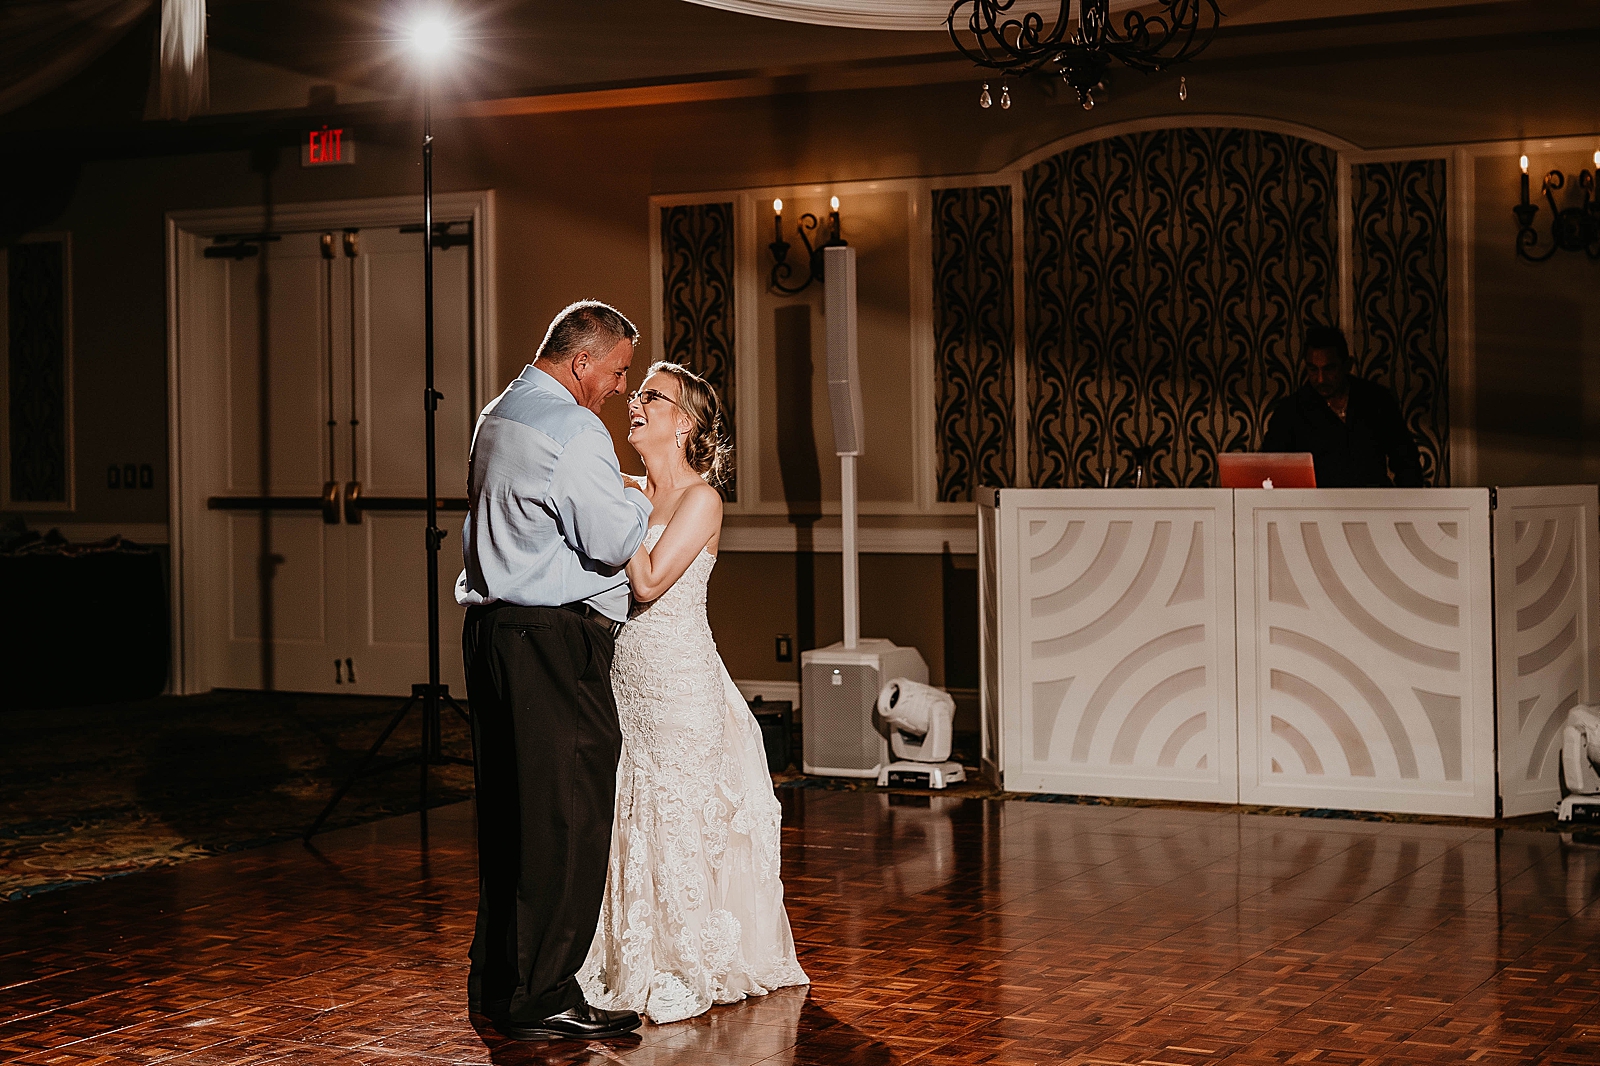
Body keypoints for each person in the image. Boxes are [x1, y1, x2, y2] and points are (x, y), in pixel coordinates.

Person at [578, 361, 808, 1024]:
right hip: (625, 685)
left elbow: (647, 583)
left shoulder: (701, 499)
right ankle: (629, 953)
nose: (635, 404)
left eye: (652, 396)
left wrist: (620, 509)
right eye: (638, 394)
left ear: (685, 423)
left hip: (680, 691)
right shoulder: (626, 488)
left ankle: (684, 959)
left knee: (677, 822)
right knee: (629, 817)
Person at [456, 300, 652, 1042]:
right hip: (552, 640)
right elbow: (607, 539)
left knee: (510, 812)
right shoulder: (572, 427)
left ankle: (501, 980)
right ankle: (544, 993)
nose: (616, 388)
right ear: (582, 362)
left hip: (493, 633)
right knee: (566, 813)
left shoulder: (498, 412)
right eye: (616, 371)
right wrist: (636, 503)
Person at [1262, 325, 1425, 488]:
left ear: (1347, 365)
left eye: (1329, 369)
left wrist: (1404, 508)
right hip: (1317, 508)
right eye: (1313, 369)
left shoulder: (1377, 400)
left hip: (1374, 504)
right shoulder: (1291, 411)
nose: (1320, 379)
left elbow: (1407, 461)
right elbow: (1268, 469)